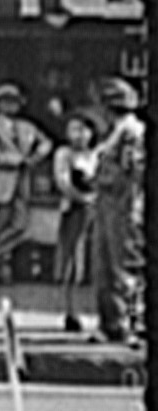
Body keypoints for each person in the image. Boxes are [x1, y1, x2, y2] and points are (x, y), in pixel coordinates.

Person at [0, 82, 53, 284]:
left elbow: (46, 142)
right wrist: (17, 160)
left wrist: (36, 156)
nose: (12, 106)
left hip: (21, 184)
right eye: (6, 102)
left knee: (19, 225)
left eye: (15, 102)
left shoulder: (27, 127)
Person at [90, 78, 146, 345]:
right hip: (105, 201)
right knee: (104, 265)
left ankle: (132, 323)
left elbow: (132, 172)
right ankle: (109, 321)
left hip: (123, 203)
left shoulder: (131, 132)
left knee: (124, 265)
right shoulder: (112, 132)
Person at [51, 106, 101, 334]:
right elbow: (63, 182)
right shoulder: (64, 154)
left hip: (100, 213)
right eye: (73, 129)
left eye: (83, 129)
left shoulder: (99, 154)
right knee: (73, 262)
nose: (79, 135)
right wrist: (83, 197)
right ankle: (72, 312)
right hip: (75, 210)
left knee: (99, 262)